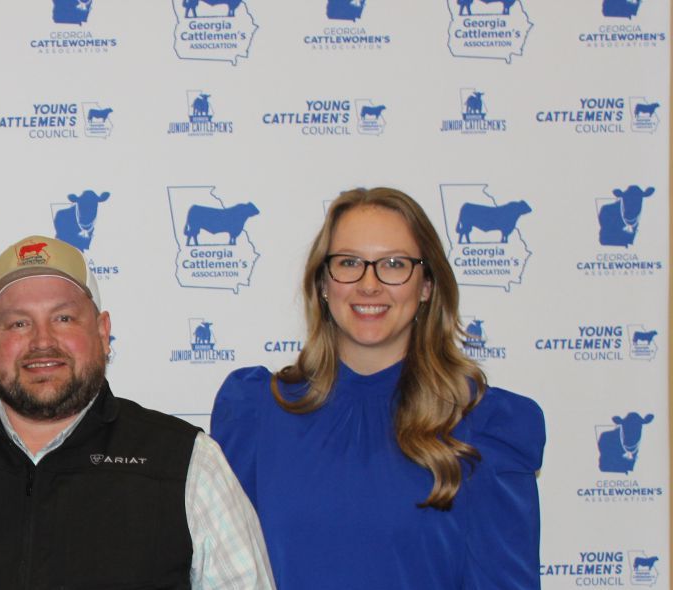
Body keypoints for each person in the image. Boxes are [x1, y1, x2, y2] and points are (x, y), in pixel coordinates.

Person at [0, 235, 274, 589]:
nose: (43, 341)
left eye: (63, 318)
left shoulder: (186, 462)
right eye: (18, 324)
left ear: (102, 331)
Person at [210, 187, 545, 588]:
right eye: (349, 262)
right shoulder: (256, 413)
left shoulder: (484, 425)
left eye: (394, 264)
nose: (369, 285)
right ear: (322, 283)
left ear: (426, 286)